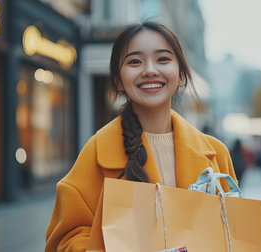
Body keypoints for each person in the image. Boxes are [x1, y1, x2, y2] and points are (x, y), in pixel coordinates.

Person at [45, 21, 237, 252]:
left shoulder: (216, 153)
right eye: (135, 61)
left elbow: (233, 233)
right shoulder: (96, 152)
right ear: (118, 79)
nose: (149, 70)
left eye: (163, 59)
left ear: (182, 74)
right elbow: (65, 238)